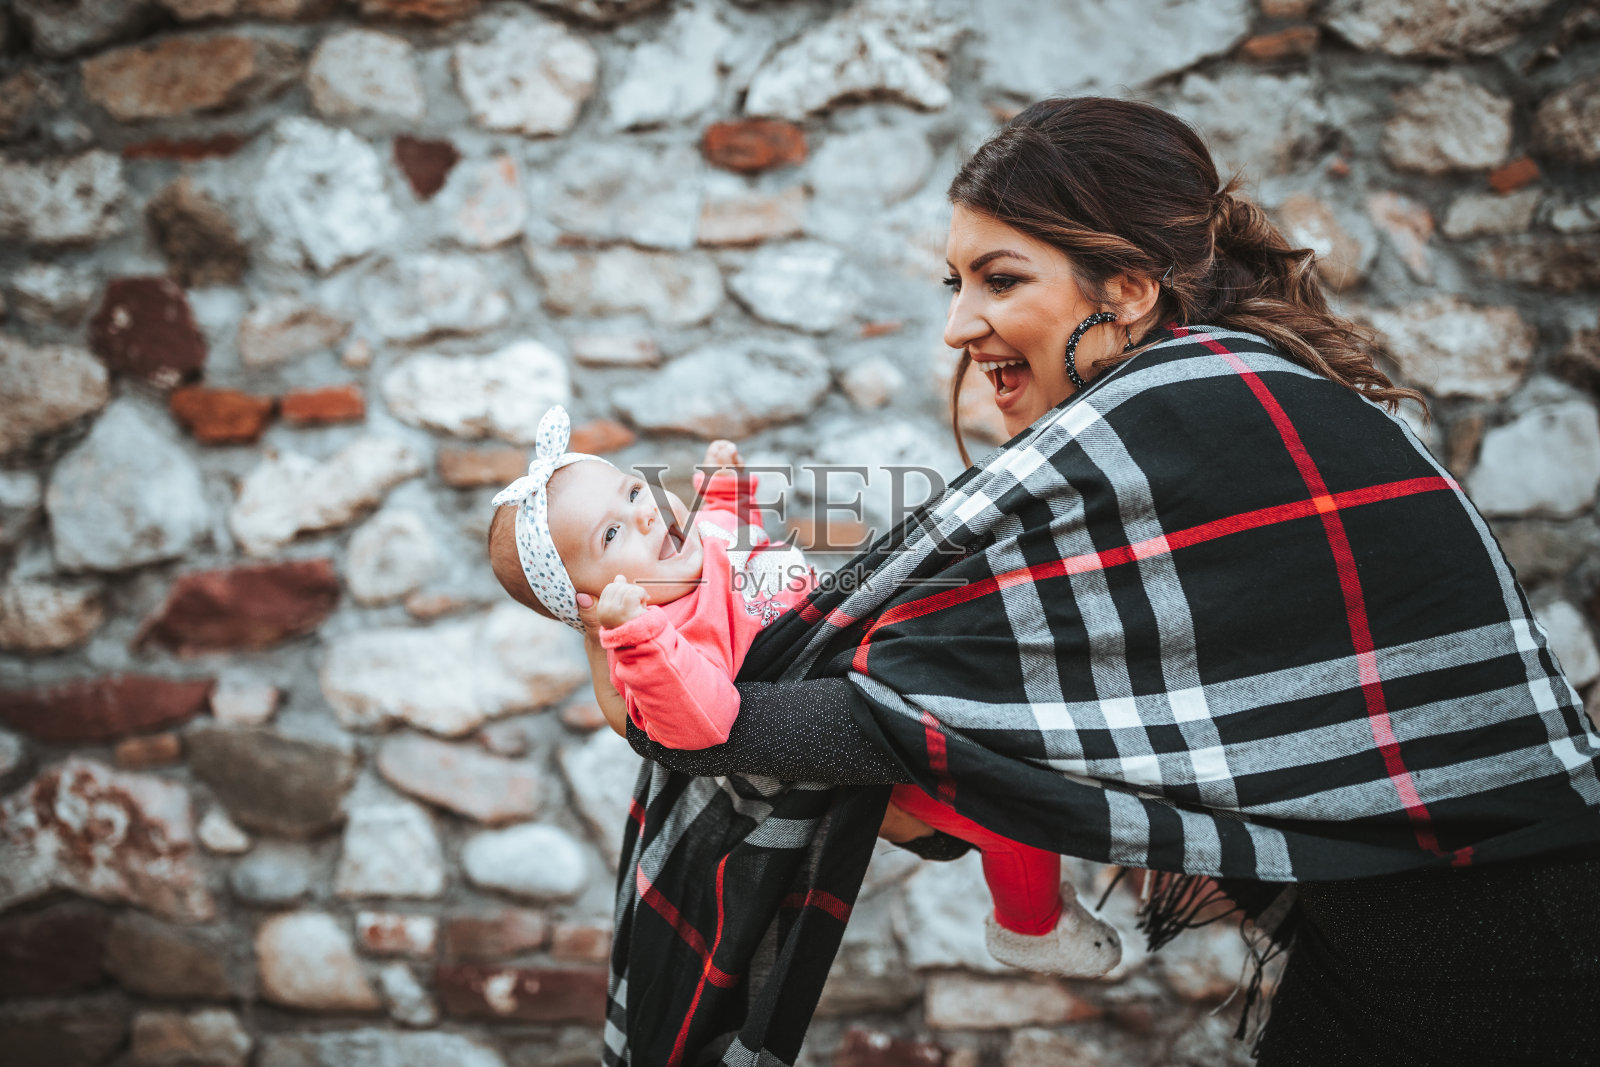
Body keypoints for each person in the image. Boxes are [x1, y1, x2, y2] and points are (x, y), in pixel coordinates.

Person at [593, 95, 1600, 1067]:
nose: (958, 327)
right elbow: (983, 733)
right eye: (956, 284)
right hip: (1439, 929)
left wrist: (676, 717)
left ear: (1124, 288)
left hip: (1492, 955)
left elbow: (900, 715)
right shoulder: (1215, 398)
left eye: (999, 279)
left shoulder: (1199, 418)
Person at [486, 407, 1121, 978]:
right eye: (611, 535)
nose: (646, 512)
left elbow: (731, 535)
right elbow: (705, 723)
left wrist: (727, 487)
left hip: (879, 664)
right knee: (1012, 820)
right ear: (592, 602)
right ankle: (1030, 928)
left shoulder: (691, 553)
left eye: (633, 491)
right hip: (865, 737)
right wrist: (637, 636)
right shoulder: (663, 641)